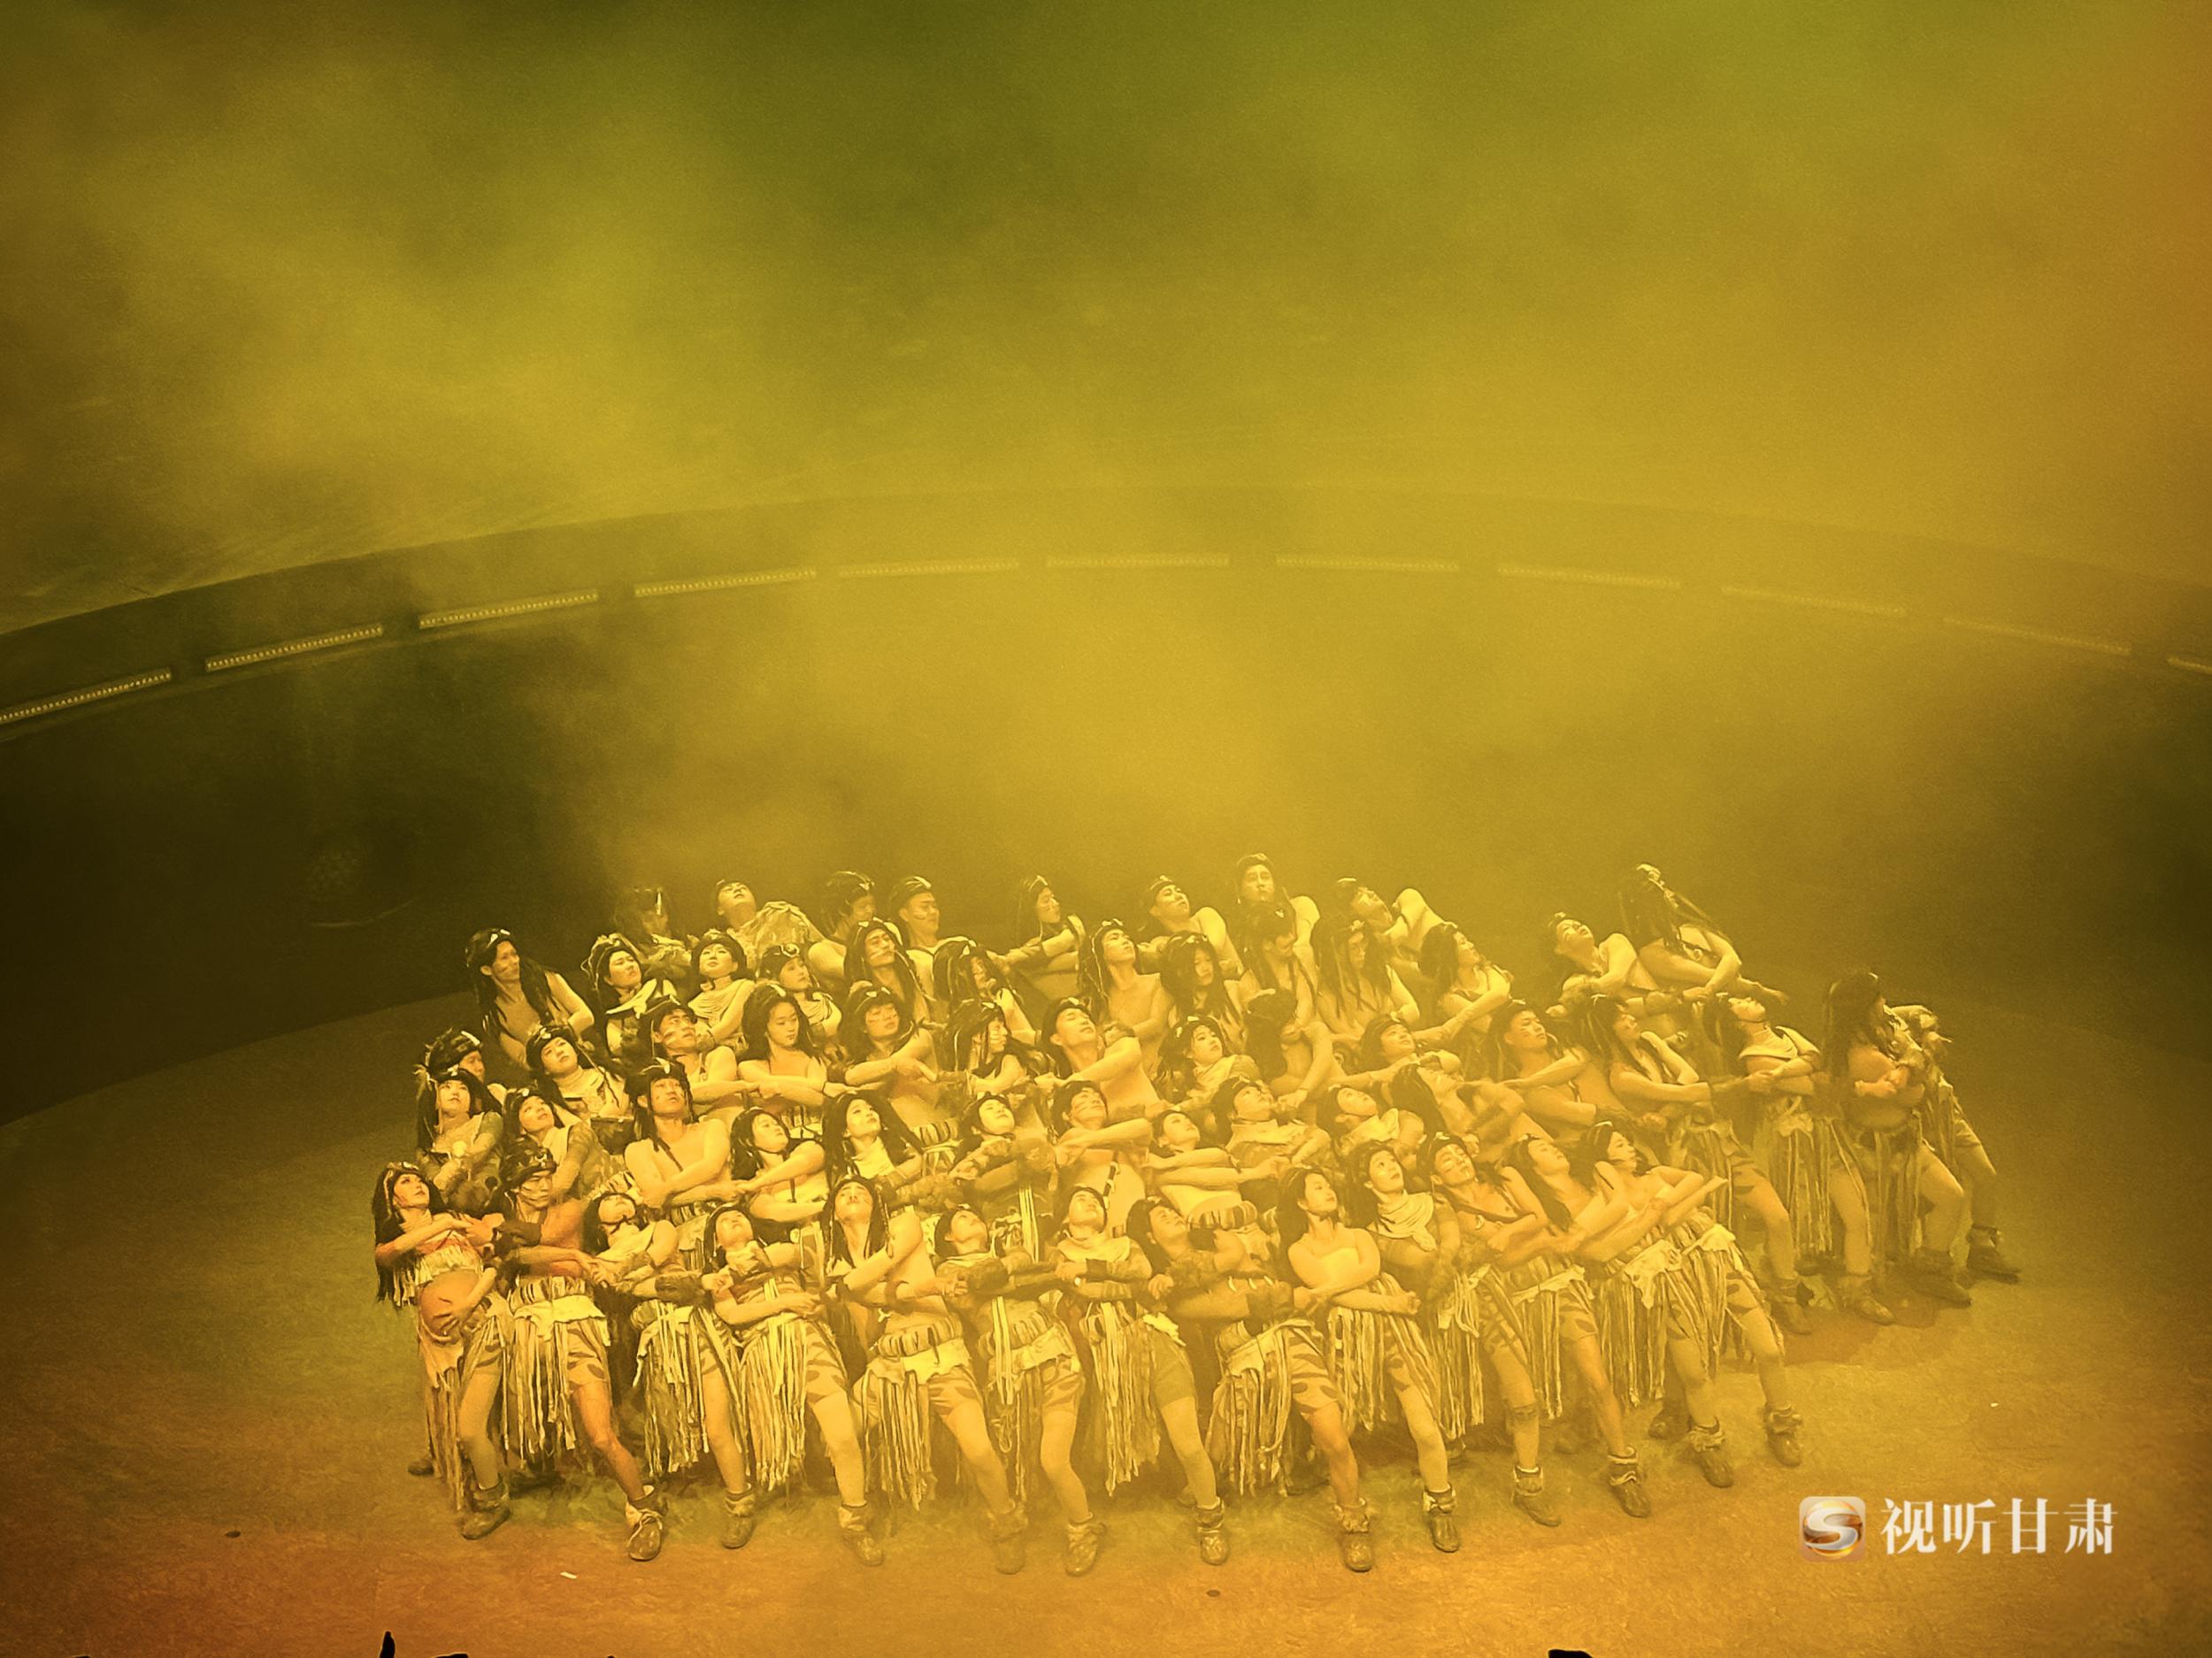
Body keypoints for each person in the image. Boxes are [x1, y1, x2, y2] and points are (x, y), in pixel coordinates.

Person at [1421, 1132, 1653, 1524]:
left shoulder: (1506, 1177)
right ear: (1435, 1177)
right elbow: (1509, 1256)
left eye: (1460, 1152)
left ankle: (1623, 1467)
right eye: (1447, 1159)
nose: (1459, 1160)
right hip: (1504, 1299)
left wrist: (1508, 1234)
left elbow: (1541, 1219)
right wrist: (1536, 1241)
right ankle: (1529, 1484)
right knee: (1524, 1402)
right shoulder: (1450, 1211)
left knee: (1597, 1378)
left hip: (1556, 1282)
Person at [824, 1174, 1028, 1571]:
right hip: (889, 1365)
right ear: (833, 1213)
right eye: (844, 1193)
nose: (852, 1194)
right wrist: (912, 1290)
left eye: (862, 1191)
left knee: (979, 1449)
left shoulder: (905, 1224)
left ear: (877, 1204)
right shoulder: (839, 1262)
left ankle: (1007, 1523)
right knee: (839, 1434)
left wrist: (849, 1288)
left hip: (940, 1355)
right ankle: (855, 1518)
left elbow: (869, 1277)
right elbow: (868, 1300)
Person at [1576, 994, 1813, 1334]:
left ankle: (1787, 1295)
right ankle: (1731, 1313)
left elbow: (1689, 1078)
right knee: (1720, 1232)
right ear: (1606, 1031)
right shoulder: (1621, 1076)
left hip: (1720, 1141)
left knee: (1777, 1215)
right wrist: (1738, 1086)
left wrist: (1669, 1110)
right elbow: (1685, 1092)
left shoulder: (1651, 1041)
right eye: (1620, 1019)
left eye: (1628, 1013)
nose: (1631, 1020)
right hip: (1686, 1157)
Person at [497, 1141, 665, 1560]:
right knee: (527, 1414)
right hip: (526, 1325)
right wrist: (573, 1255)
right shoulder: (499, 1219)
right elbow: (511, 1253)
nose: (543, 1186)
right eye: (533, 1180)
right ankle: (527, 1475)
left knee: (601, 1434)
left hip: (574, 1320)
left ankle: (644, 1508)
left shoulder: (569, 1210)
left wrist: (571, 1256)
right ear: (515, 1186)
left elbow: (528, 1246)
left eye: (546, 1177)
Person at [1279, 1167, 1460, 1553]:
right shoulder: (1298, 1250)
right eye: (1317, 1188)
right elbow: (1343, 1296)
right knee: (1339, 1435)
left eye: (1328, 1185)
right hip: (1346, 1341)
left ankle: (1440, 1502)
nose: (1328, 1191)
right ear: (1301, 1203)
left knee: (1424, 1424)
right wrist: (1389, 1303)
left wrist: (1326, 1291)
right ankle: (1353, 1519)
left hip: (1394, 1331)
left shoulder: (1359, 1234)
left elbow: (1370, 1270)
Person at [921, 1205, 1106, 1575]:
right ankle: (1010, 1527)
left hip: (1054, 1355)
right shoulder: (946, 1271)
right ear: (948, 1237)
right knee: (1008, 1459)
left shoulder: (1012, 1252)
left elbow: (1022, 1266)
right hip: (1009, 1375)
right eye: (962, 1218)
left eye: (976, 1215)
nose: (973, 1218)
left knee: (1053, 1459)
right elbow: (973, 1293)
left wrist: (1013, 1268)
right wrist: (1028, 1276)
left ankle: (1083, 1527)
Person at [698, 1202, 880, 1560]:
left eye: (739, 1216)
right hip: (764, 1352)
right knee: (767, 1438)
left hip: (809, 1340)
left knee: (842, 1432)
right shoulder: (716, 1277)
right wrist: (786, 1302)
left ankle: (855, 1519)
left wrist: (769, 1277)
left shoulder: (781, 1252)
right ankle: (741, 1507)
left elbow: (798, 1256)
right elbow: (732, 1313)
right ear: (716, 1242)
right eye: (723, 1221)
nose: (734, 1218)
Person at [1049, 1186, 1226, 1533]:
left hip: (1153, 1338)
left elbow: (1140, 1270)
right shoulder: (1058, 1254)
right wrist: (1126, 1285)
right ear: (1065, 1218)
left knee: (1188, 1442)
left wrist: (1087, 1267)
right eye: (1079, 1199)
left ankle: (1211, 1520)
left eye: (1096, 1200)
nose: (1090, 1201)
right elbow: (1090, 1290)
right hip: (1107, 1356)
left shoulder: (1126, 1244)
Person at [1708, 993, 1893, 1324]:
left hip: (1826, 1137)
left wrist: (1788, 1070)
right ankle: (1783, 1287)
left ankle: (1858, 1289)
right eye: (1738, 1002)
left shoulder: (1785, 1034)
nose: (1748, 998)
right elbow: (1815, 1085)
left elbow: (1817, 1059)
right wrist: (1841, 1081)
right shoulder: (1754, 1059)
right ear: (1737, 1023)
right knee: (1791, 1221)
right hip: (1793, 1148)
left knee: (1857, 1211)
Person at [372, 1162, 511, 1538]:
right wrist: (442, 1224)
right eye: (406, 1182)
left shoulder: (459, 1223)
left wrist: (469, 1303)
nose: (417, 1184)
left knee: (470, 1428)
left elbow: (498, 1258)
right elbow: (389, 1254)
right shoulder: (405, 1237)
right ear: (392, 1198)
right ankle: (442, 1455)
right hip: (439, 1343)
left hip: (484, 1324)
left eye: (420, 1180)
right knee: (443, 1404)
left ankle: (492, 1498)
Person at [1824, 972, 1978, 1306]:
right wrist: (1916, 1062)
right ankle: (1860, 1288)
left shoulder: (1881, 1032)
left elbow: (1916, 1018)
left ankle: (1931, 1269)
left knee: (1950, 1195)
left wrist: (1915, 1052)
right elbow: (1915, 1096)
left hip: (1905, 1143)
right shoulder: (1867, 1057)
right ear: (1867, 1006)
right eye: (1879, 997)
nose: (1886, 1002)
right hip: (1873, 1154)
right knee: (1871, 1225)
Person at [467, 927, 594, 1071]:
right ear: (486, 970)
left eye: (514, 954)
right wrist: (547, 1052)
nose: (514, 961)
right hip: (549, 1074)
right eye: (504, 958)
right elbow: (523, 1059)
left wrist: (558, 1037)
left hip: (583, 1060)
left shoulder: (545, 980)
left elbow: (586, 1015)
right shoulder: (494, 1019)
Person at [1078, 919, 1174, 1077]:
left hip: (1162, 1070)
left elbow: (1156, 1024)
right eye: (1114, 938)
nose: (1125, 941)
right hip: (1125, 1076)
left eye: (1126, 937)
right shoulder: (1098, 1001)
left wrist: (1124, 1033)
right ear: (1099, 953)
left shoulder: (1158, 981)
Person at [502, 1082, 620, 1207]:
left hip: (615, 1195)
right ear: (520, 1128)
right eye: (528, 1109)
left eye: (542, 1103)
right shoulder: (528, 1159)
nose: (540, 1108)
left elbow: (566, 1177)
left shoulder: (578, 1131)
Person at [1311, 914, 1419, 1049]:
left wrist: (1389, 1023)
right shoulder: (1327, 996)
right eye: (1353, 948)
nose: (1362, 952)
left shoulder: (1381, 972)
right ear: (1335, 954)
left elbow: (1413, 1010)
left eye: (1363, 943)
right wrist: (1396, 1021)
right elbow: (1362, 1040)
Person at [735, 986, 832, 1135]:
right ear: (763, 1028)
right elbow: (765, 1087)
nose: (791, 1027)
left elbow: (819, 1100)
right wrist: (819, 1087)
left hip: (816, 1133)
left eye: (794, 1019)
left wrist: (778, 1090)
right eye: (781, 1023)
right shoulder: (749, 1066)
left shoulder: (811, 1058)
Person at [414, 1065, 505, 1216]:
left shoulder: (488, 1120)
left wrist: (459, 1162)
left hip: (495, 1208)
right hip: (452, 1215)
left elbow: (483, 1145)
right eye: (446, 1087)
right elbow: (438, 1188)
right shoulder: (428, 1148)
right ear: (436, 1099)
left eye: (463, 1088)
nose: (455, 1092)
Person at [526, 1027, 632, 1152]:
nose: (559, 1051)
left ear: (575, 1050)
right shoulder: (553, 1104)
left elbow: (628, 1104)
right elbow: (579, 1136)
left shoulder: (610, 1072)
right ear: (544, 1070)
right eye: (549, 1052)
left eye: (562, 1044)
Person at [582, 933, 677, 1071]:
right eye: (620, 963)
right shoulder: (615, 1021)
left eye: (631, 960)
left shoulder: (662, 987)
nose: (630, 966)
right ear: (609, 979)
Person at [726, 1104, 829, 1230]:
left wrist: (758, 1183)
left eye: (776, 1123)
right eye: (766, 1125)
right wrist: (825, 1207)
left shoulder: (807, 1147)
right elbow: (769, 1212)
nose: (776, 1127)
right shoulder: (755, 1185)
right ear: (748, 1141)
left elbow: (805, 1162)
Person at [934, 937, 1041, 1048]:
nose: (981, 970)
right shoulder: (964, 1010)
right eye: (972, 970)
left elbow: (1001, 1014)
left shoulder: (1001, 996)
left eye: (980, 964)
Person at [648, 999, 746, 1118]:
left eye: (688, 1020)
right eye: (674, 1022)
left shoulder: (718, 1055)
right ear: (657, 1036)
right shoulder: (661, 1073)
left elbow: (715, 1092)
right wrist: (744, 1086)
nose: (686, 1026)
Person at [1002, 876, 1085, 1014]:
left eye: (1053, 897)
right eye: (1046, 901)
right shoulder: (1027, 948)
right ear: (1031, 909)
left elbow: (1071, 947)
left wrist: (1031, 956)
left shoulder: (1072, 926)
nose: (1055, 904)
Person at [1138, 875, 1243, 979]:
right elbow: (1150, 955)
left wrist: (1167, 954)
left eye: (1179, 891)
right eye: (1168, 894)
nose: (1179, 896)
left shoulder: (1205, 915)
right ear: (1155, 910)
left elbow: (1212, 947)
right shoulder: (1161, 941)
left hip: (1239, 985)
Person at [1157, 932, 1247, 1053]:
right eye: (1196, 963)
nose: (1206, 967)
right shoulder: (1177, 1014)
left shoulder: (1233, 989)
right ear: (1180, 971)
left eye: (1208, 960)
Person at [710, 878, 823, 971]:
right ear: (720, 909)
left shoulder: (782, 915)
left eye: (743, 888)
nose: (737, 889)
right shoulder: (723, 945)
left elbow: (820, 945)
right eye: (728, 890)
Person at [847, 916, 934, 1033]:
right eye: (875, 942)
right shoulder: (861, 991)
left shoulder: (915, 971)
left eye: (887, 939)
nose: (885, 945)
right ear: (862, 954)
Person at [609, 884, 698, 997]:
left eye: (661, 916)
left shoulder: (690, 943)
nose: (657, 923)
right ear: (634, 922)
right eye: (648, 919)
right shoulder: (623, 944)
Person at [757, 943, 842, 1052]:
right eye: (791, 968)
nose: (801, 972)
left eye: (801, 965)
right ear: (775, 977)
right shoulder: (776, 1011)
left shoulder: (823, 1000)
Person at [808, 871, 878, 995]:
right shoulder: (822, 950)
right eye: (862, 907)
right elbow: (857, 973)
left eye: (872, 905)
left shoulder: (879, 935)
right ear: (842, 911)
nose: (870, 911)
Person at [687, 929, 757, 1048]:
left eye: (721, 951)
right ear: (698, 967)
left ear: (735, 965)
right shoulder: (694, 1003)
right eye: (706, 953)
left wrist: (711, 1038)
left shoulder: (744, 986)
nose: (713, 956)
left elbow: (730, 1022)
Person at [424, 1026, 508, 1104]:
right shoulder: (435, 1107)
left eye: (480, 1060)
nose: (480, 1067)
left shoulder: (497, 1096)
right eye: (471, 1061)